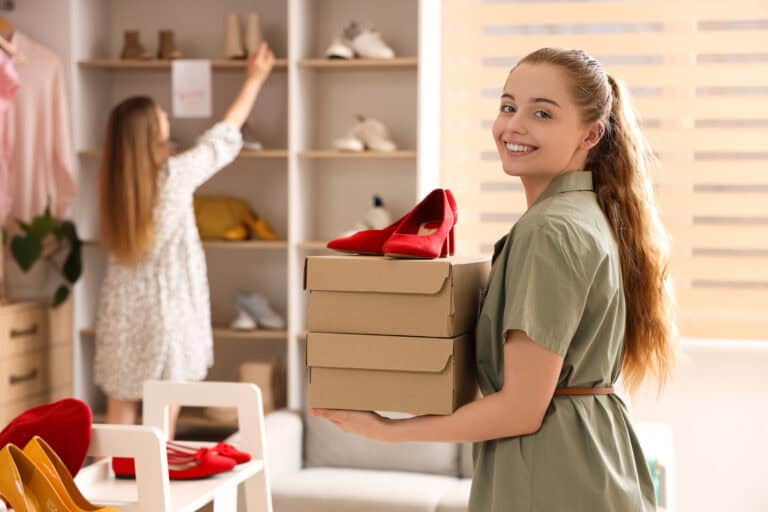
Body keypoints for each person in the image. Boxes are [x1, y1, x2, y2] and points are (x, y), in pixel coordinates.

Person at [311, 47, 677, 511]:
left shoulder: (551, 230)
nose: (514, 126)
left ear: (591, 134)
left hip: (552, 473)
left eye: (542, 113)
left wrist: (386, 430)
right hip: (587, 463)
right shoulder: (584, 216)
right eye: (508, 106)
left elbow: (520, 408)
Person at [94, 43, 275, 438]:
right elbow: (222, 139)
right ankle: (155, 495)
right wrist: (254, 80)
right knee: (161, 415)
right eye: (159, 115)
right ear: (147, 134)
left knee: (120, 414)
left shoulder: (115, 185)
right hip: (167, 305)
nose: (166, 115)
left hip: (121, 308)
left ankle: (112, 495)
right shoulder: (172, 178)